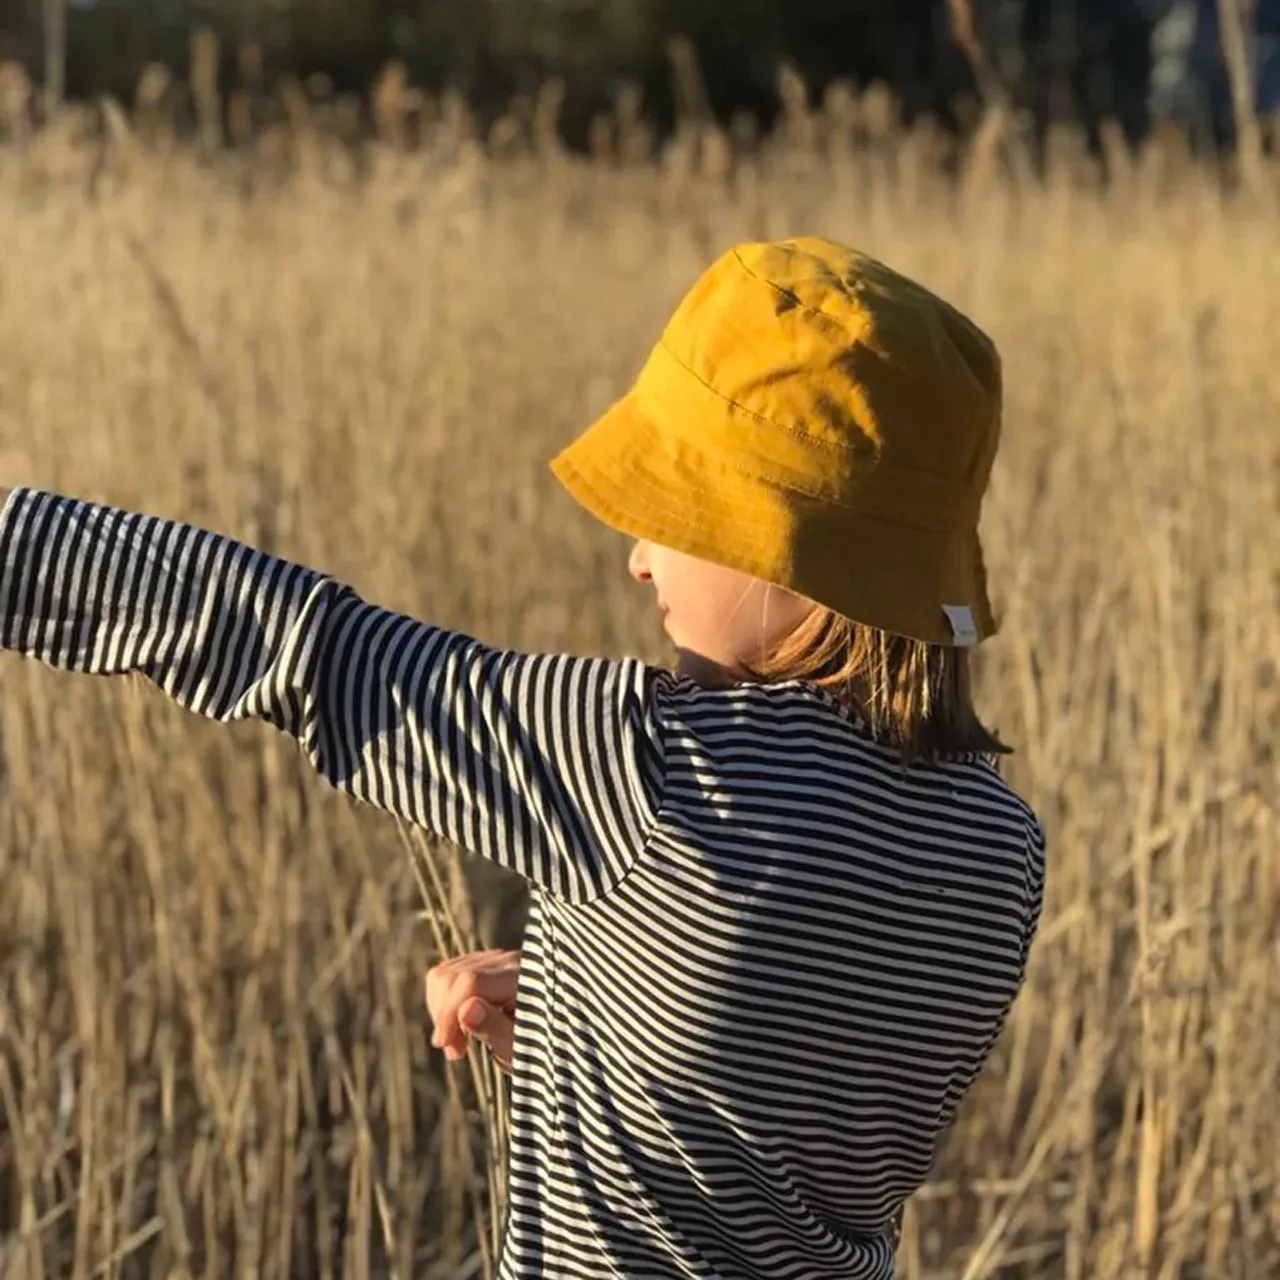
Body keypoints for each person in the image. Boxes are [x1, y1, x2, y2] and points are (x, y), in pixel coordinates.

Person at [0, 237, 1045, 1279]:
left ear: (781, 552)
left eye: (672, 514)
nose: (637, 557)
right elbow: (785, 1064)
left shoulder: (653, 763)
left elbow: (298, 647)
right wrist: (577, 987)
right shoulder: (998, 844)